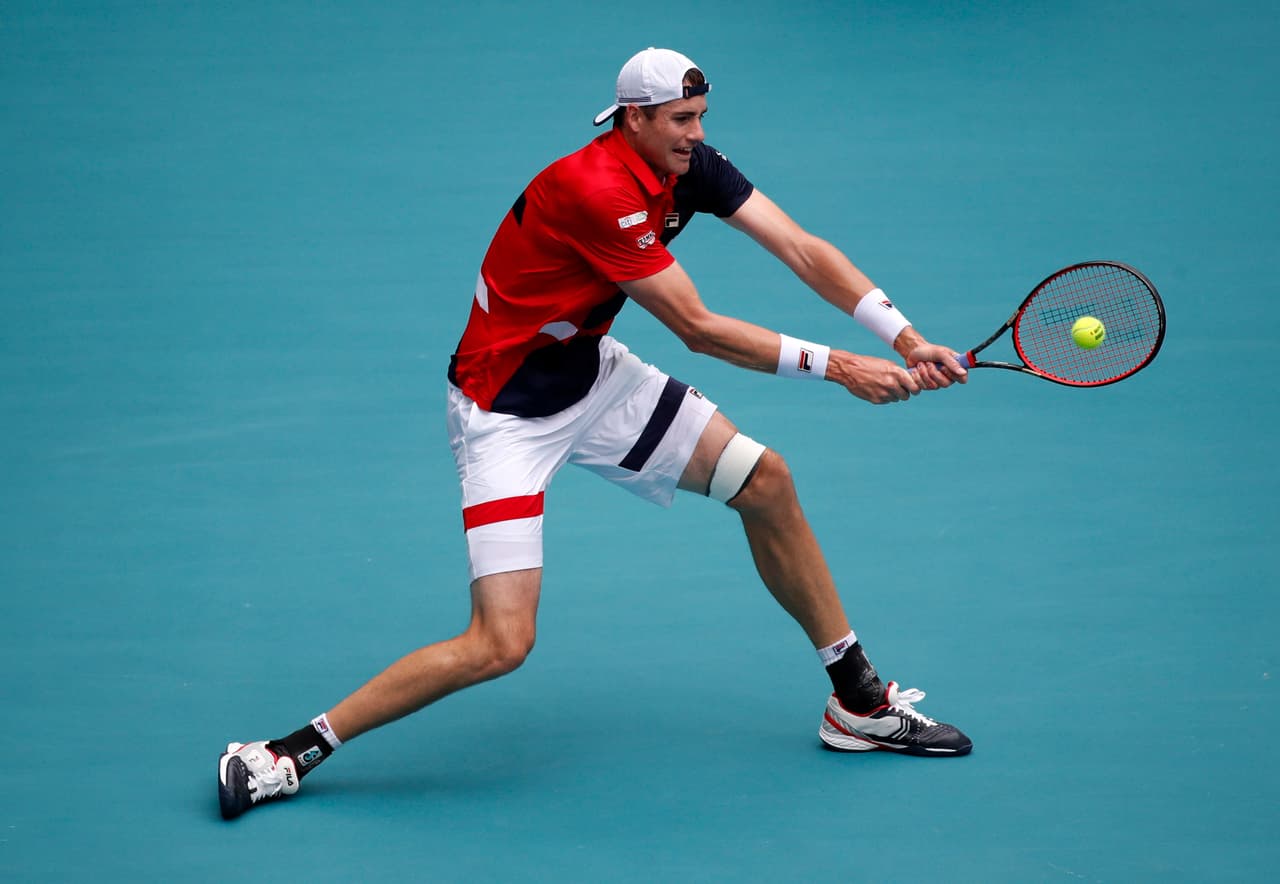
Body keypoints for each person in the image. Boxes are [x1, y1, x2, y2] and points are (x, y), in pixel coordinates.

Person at [218, 47, 972, 821]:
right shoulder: (593, 190)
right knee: (500, 644)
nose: (696, 133)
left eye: (702, 117)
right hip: (502, 413)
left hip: (590, 375)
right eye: (680, 120)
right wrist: (842, 368)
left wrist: (903, 336)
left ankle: (859, 701)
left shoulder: (687, 166)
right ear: (634, 119)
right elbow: (698, 329)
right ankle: (288, 752)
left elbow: (800, 247)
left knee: (765, 481)